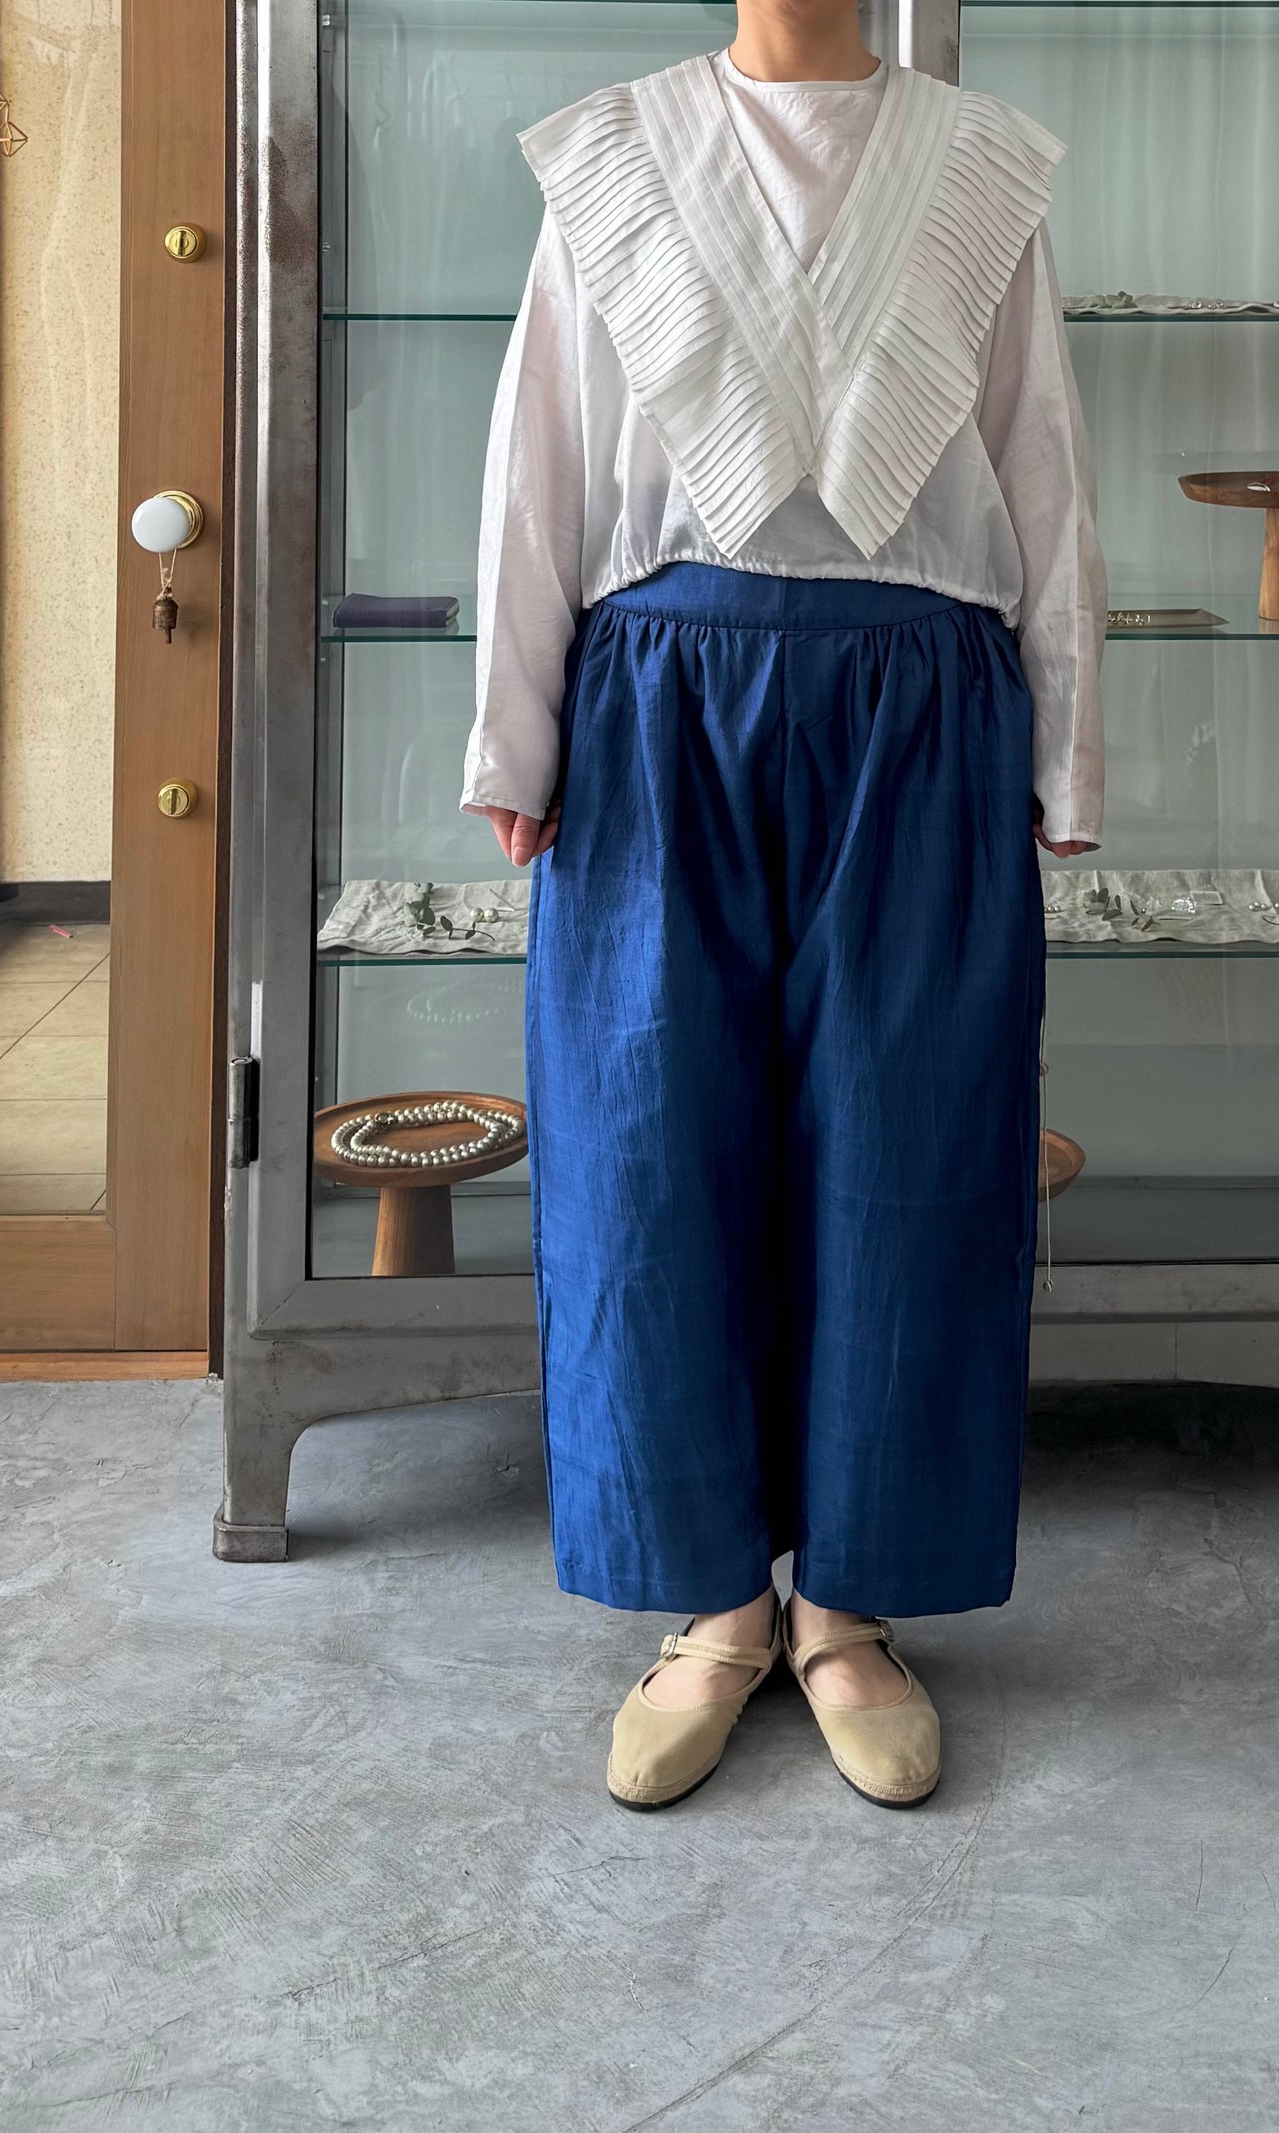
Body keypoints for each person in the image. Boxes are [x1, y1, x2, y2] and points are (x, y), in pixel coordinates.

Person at [462, 0, 1106, 1810]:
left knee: (911, 1142)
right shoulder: (616, 154)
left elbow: (1039, 458)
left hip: (923, 700)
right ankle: (709, 1606)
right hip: (658, 701)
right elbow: (540, 453)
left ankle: (848, 1605)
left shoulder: (976, 167)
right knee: (649, 1143)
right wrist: (516, 732)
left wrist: (1067, 745)